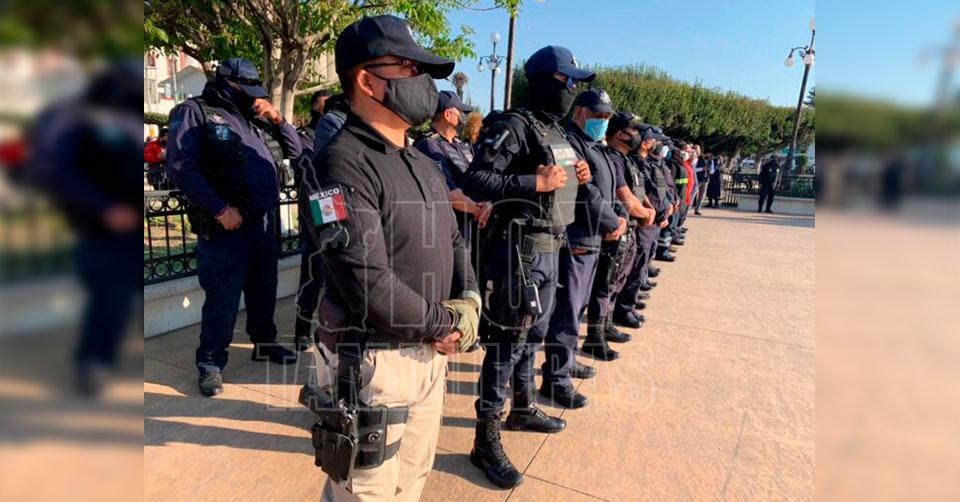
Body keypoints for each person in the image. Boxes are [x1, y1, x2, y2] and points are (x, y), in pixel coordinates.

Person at [301, 16, 480, 501]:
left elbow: (453, 240)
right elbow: (366, 280)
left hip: (429, 356)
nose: (423, 82)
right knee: (367, 493)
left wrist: (469, 301)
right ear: (366, 80)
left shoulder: (422, 162)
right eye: (407, 68)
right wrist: (445, 322)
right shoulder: (338, 164)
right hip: (375, 365)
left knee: (412, 481)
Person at [462, 45, 594, 489]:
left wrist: (578, 176)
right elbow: (476, 179)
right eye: (567, 81)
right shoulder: (512, 125)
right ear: (543, 81)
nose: (572, 90)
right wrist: (533, 181)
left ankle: (521, 407)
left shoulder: (554, 129)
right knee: (507, 343)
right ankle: (485, 439)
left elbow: (558, 185)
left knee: (533, 335)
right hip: (518, 253)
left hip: (549, 246)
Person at [166, 57, 303, 397]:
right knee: (222, 298)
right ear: (228, 83)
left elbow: (297, 150)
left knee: (264, 290)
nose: (253, 94)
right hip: (226, 227)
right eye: (246, 87)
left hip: (263, 222)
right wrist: (220, 209)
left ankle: (264, 342)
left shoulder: (253, 118)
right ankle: (210, 362)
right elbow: (181, 167)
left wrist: (277, 119)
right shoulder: (196, 112)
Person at [32, 61, 143, 396]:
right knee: (109, 298)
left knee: (126, 299)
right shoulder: (81, 122)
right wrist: (103, 208)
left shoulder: (126, 122)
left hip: (131, 228)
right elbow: (61, 173)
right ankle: (93, 362)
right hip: (103, 229)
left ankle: (113, 356)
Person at [540, 89, 623, 409]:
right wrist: (612, 221)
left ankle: (568, 360)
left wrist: (616, 219)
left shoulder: (593, 146)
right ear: (579, 113)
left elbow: (607, 191)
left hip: (592, 239)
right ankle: (556, 380)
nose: (602, 121)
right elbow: (584, 193)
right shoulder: (570, 144)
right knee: (567, 313)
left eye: (606, 116)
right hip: (577, 239)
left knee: (577, 308)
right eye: (597, 115)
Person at [591, 113, 655, 341]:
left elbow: (637, 191)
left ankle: (606, 324)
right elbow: (625, 197)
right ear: (620, 134)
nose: (637, 136)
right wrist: (645, 213)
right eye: (634, 131)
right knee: (606, 284)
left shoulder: (625, 159)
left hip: (630, 228)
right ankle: (596, 335)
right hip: (616, 230)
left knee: (617, 281)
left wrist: (648, 209)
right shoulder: (613, 158)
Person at [293, 93, 349, 351]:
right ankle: (302, 330)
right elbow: (330, 166)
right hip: (325, 200)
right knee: (314, 269)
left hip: (338, 201)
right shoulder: (330, 122)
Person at [415, 90, 491, 272]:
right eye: (460, 112)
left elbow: (479, 179)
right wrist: (479, 210)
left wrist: (487, 203)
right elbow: (446, 191)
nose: (464, 116)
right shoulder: (429, 145)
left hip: (474, 227)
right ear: (448, 115)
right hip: (449, 231)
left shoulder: (462, 145)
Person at [614, 122, 669, 328]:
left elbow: (653, 192)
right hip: (641, 222)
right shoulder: (634, 162)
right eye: (655, 141)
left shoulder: (647, 163)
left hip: (650, 219)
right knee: (632, 269)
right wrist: (652, 212)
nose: (658, 145)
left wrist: (662, 210)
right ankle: (623, 309)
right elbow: (641, 192)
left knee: (639, 265)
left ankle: (628, 305)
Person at [693, 148, 710, 215]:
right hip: (698, 179)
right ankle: (688, 208)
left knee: (702, 196)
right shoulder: (698, 159)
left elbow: (712, 171)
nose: (709, 156)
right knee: (693, 194)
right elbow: (694, 169)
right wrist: (702, 169)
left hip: (705, 179)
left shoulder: (709, 161)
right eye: (709, 154)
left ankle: (697, 209)